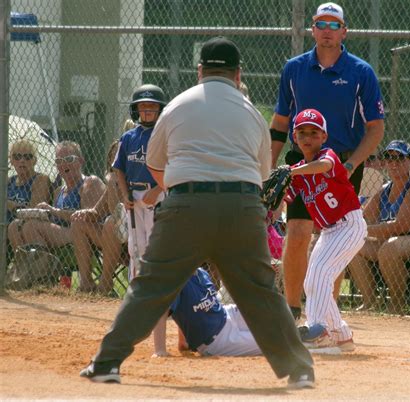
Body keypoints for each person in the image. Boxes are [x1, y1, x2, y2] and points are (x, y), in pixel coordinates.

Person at [80, 36, 314, 389]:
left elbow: (156, 166)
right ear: (238, 74)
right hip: (242, 206)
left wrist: (183, 188)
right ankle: (299, 370)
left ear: (200, 70)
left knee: (151, 285)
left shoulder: (177, 106)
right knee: (259, 290)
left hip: (186, 205)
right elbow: (264, 174)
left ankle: (107, 363)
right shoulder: (252, 113)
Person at [269, 2, 385, 320]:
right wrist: (269, 166)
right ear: (313, 29)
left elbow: (375, 128)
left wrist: (351, 166)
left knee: (332, 239)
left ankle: (324, 315)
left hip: (343, 163)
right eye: (322, 24)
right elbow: (280, 123)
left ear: (344, 31)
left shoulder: (360, 72)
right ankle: (293, 309)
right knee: (297, 230)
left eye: (335, 25)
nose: (328, 31)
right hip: (301, 160)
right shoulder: (294, 68)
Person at [286, 109, 367, 353]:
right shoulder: (299, 171)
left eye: (314, 132)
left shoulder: (327, 155)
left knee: (321, 272)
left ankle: (318, 330)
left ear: (324, 136)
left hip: (350, 225)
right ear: (294, 137)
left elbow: (322, 167)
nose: (307, 137)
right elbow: (288, 197)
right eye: (302, 133)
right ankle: (341, 335)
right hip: (331, 231)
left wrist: (290, 171)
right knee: (312, 280)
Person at [348, 140, 410, 313]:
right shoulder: (384, 190)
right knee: (354, 244)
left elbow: (401, 227)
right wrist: (357, 228)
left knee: (389, 247)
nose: (393, 162)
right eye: (389, 157)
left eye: (400, 157)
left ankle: (396, 305)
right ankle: (369, 303)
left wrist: (363, 229)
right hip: (394, 242)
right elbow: (362, 218)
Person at [112, 84, 169, 357]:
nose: (147, 111)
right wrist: (125, 197)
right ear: (136, 110)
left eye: (153, 107)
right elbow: (119, 171)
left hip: (156, 197)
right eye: (143, 107)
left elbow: (173, 167)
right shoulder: (128, 138)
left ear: (160, 109)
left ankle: (158, 330)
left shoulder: (163, 136)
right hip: (134, 200)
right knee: (136, 258)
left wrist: (157, 190)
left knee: (154, 261)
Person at [8, 141, 105, 253]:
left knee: (31, 227)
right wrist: (44, 214)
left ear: (81, 161)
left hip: (79, 233)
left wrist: (53, 210)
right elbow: (53, 220)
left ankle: (40, 268)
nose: (64, 164)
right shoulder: (59, 191)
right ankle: (29, 266)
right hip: (59, 234)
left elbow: (87, 218)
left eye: (69, 159)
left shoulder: (88, 184)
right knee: (15, 226)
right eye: (59, 161)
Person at [166, 268, 262, 357]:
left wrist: (183, 342)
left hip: (228, 314)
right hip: (218, 341)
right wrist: (160, 349)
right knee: (271, 342)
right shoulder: (176, 280)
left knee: (270, 316)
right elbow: (162, 311)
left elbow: (187, 310)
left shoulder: (201, 272)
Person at [70, 140, 125, 294]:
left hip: (132, 237)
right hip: (113, 239)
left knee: (110, 222)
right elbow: (97, 212)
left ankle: (105, 283)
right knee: (78, 223)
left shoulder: (134, 179)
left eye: (120, 156)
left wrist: (114, 181)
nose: (116, 161)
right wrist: (85, 213)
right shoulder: (112, 182)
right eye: (113, 157)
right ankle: (86, 283)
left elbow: (117, 214)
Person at [6, 139, 51, 224]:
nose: (22, 161)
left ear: (35, 161)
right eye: (17, 157)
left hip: (23, 228)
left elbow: (34, 212)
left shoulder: (40, 179)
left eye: (27, 157)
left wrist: (7, 203)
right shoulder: (9, 181)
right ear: (11, 160)